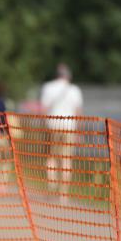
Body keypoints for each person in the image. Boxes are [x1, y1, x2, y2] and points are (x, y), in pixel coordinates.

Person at [39, 62, 83, 199]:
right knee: (66, 160)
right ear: (68, 76)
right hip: (69, 127)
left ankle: (52, 187)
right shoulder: (75, 90)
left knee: (51, 157)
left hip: (52, 125)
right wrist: (78, 131)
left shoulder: (48, 87)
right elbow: (78, 112)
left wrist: (43, 126)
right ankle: (63, 194)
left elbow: (43, 109)